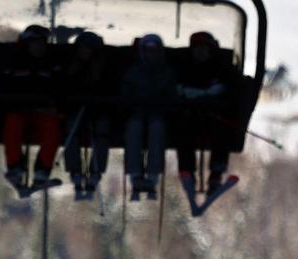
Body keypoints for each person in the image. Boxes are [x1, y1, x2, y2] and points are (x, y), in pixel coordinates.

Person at [174, 31, 239, 196]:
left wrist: (208, 95)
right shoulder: (185, 67)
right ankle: (187, 173)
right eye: (196, 48)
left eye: (203, 48)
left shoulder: (221, 68)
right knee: (183, 130)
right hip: (190, 117)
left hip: (213, 118)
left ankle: (216, 175)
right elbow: (177, 86)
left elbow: (228, 87)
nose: (200, 52)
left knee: (222, 129)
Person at [1, 25, 62, 190]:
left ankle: (42, 172)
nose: (39, 47)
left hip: (43, 110)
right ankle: (15, 169)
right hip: (19, 109)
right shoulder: (14, 61)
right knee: (12, 124)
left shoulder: (51, 62)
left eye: (42, 43)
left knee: (52, 127)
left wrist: (55, 107)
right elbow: (5, 86)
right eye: (36, 43)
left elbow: (61, 86)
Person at [120, 33, 176, 198]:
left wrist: (162, 103)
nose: (151, 54)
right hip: (137, 112)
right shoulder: (133, 72)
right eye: (148, 50)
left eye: (154, 50)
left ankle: (153, 173)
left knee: (157, 127)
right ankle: (134, 173)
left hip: (157, 113)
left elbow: (172, 94)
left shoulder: (167, 72)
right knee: (134, 127)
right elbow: (124, 93)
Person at [61, 31, 114, 199]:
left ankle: (96, 172)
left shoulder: (104, 67)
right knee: (71, 127)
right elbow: (63, 87)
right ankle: (75, 171)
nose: (86, 53)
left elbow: (109, 90)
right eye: (83, 49)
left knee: (101, 128)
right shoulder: (70, 65)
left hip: (97, 110)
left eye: (90, 49)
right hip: (75, 109)